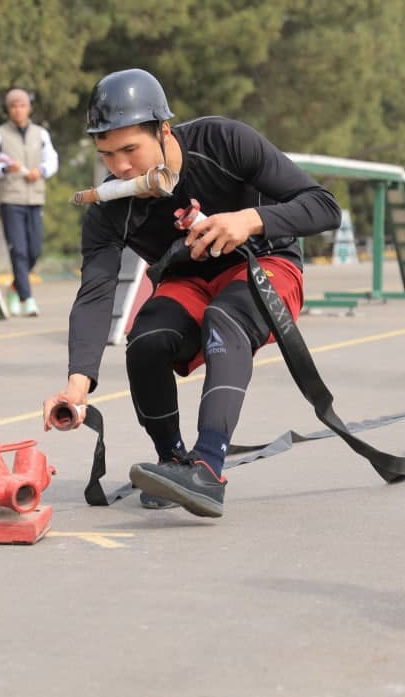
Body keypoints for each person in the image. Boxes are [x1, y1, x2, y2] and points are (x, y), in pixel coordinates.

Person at [41, 69, 340, 518]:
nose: (121, 167)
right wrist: (75, 385)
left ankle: (207, 468)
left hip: (266, 265)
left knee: (225, 317)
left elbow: (324, 206)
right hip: (189, 279)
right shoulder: (108, 209)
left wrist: (248, 220)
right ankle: (172, 464)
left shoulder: (224, 142)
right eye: (107, 155)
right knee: (144, 341)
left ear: (164, 131)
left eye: (130, 150)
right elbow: (96, 292)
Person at [0, 88, 59, 316]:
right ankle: (28, 299)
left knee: (34, 250)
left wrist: (41, 170)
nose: (18, 109)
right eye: (13, 106)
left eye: (22, 105)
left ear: (29, 107)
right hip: (10, 199)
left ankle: (15, 286)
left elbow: (53, 160)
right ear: (8, 109)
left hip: (35, 198)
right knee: (19, 251)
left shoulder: (41, 134)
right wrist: (5, 168)